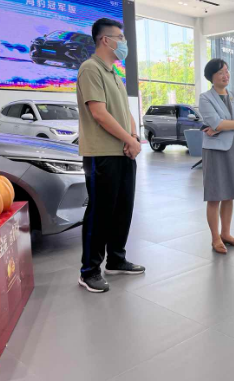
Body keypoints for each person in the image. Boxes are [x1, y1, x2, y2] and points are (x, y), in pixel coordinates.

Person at [77, 18, 145, 293]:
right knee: (100, 212)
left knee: (122, 209)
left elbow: (125, 112)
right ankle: (89, 271)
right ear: (105, 40)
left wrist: (134, 137)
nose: (124, 43)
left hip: (124, 152)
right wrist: (128, 139)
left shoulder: (114, 74)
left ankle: (116, 259)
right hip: (102, 153)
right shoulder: (90, 69)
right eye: (121, 38)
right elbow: (99, 113)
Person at [198, 59, 234, 255]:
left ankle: (226, 233)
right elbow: (217, 123)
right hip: (215, 151)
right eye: (220, 72)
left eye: (227, 71)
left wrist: (223, 125)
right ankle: (215, 238)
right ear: (211, 76)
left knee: (229, 194)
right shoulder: (205, 98)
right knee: (215, 195)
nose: (225, 75)